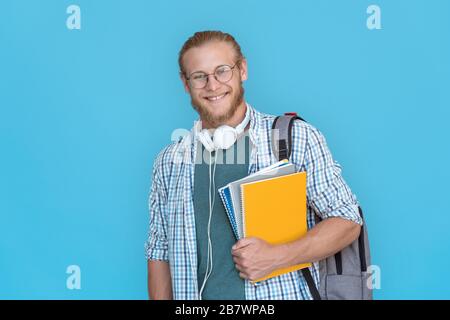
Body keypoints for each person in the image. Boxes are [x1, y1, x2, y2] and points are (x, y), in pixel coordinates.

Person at [145, 30, 363, 300]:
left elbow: (348, 220)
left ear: (242, 70)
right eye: (199, 76)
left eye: (222, 71)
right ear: (186, 83)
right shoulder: (169, 162)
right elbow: (160, 252)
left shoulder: (294, 138)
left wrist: (278, 257)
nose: (212, 86)